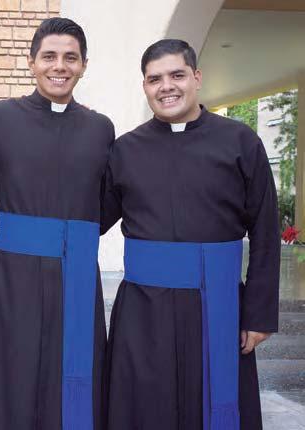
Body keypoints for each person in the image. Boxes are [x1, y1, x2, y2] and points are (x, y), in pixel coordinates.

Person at [101, 39, 279, 430]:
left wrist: (259, 313)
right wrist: (21, 220)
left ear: (196, 77)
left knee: (211, 405)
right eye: (155, 79)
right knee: (146, 408)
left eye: (177, 75)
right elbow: (91, 218)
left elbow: (266, 231)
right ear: (145, 86)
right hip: (143, 309)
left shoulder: (240, 142)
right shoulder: (125, 150)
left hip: (218, 304)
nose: (166, 86)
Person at [0, 17, 115, 430]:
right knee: (12, 367)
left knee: (71, 370)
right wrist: (22, 219)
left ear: (84, 65)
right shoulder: (1, 117)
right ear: (31, 62)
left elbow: (109, 196)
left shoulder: (100, 128)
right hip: (15, 270)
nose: (59, 66)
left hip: (76, 269)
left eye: (71, 57)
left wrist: (68, 236)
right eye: (49, 56)